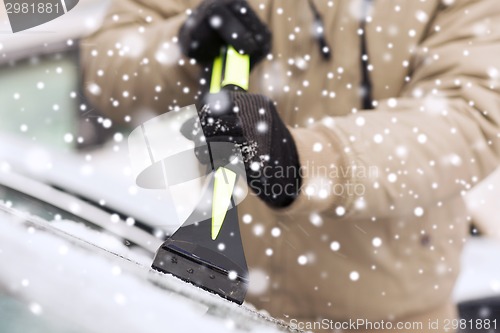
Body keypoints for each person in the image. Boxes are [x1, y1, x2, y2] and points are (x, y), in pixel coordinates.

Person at [81, 0, 500, 331]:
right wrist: (182, 44)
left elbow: (472, 115)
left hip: (392, 321)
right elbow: (104, 68)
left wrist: (309, 162)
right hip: (224, 306)